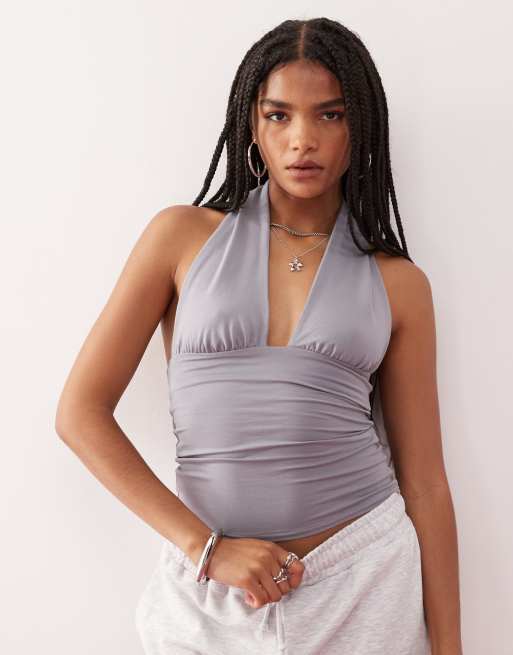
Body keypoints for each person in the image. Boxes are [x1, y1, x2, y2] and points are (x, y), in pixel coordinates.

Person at [55, 16, 463, 655]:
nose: (303, 140)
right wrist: (205, 548)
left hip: (362, 580)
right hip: (209, 591)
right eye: (279, 115)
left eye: (330, 115)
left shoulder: (399, 282)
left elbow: (427, 483)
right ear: (252, 125)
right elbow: (80, 413)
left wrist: (451, 647)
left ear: (361, 127)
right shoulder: (180, 238)